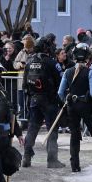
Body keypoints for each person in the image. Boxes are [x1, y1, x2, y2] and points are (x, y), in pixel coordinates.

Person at [22, 37, 65, 169]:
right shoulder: (52, 63)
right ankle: (52, 160)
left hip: (34, 100)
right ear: (47, 48)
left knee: (32, 128)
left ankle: (26, 157)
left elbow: (24, 84)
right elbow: (60, 82)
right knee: (52, 130)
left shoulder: (29, 62)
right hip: (49, 101)